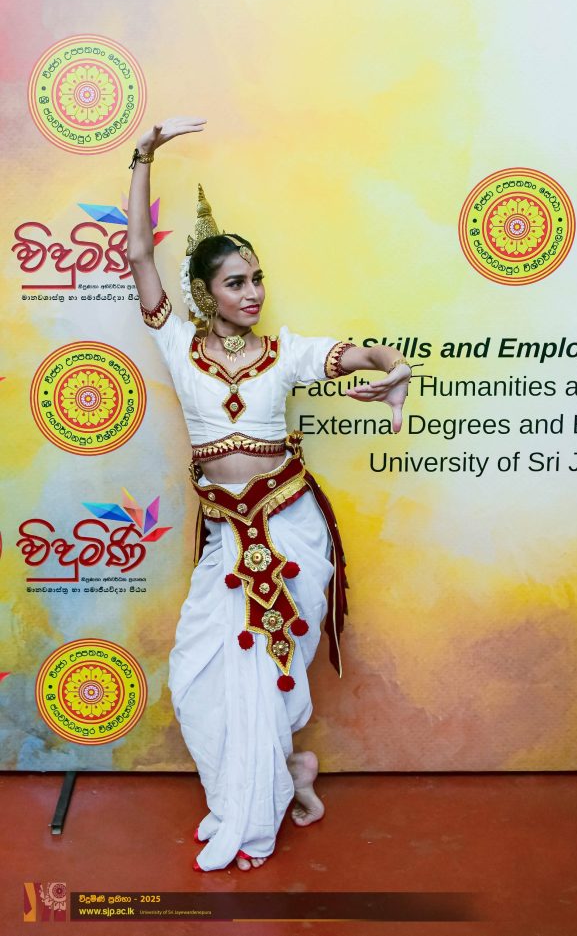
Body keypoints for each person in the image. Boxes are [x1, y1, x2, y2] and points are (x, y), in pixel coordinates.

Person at [127, 116, 411, 872]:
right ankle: (280, 778)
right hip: (229, 540)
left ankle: (262, 808)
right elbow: (137, 255)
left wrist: (394, 369)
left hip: (290, 531)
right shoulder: (177, 345)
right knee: (199, 673)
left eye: (257, 278)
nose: (253, 292)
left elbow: (363, 351)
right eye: (236, 282)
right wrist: (143, 157)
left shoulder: (284, 354)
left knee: (269, 673)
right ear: (204, 293)